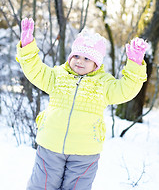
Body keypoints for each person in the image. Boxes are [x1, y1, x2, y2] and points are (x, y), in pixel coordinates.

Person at [16, 17, 148, 190]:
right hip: (50, 146)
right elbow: (35, 70)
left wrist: (135, 65)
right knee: (41, 185)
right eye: (76, 56)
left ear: (96, 63)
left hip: (85, 152)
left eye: (87, 58)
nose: (79, 61)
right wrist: (27, 46)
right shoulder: (57, 76)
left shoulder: (104, 84)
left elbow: (126, 90)